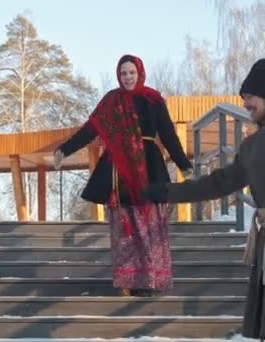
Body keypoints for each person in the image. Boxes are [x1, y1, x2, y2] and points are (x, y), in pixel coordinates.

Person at [143, 58, 265, 341]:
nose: (246, 104)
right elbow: (219, 183)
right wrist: (168, 191)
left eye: (251, 97)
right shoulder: (252, 147)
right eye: (243, 98)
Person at [53, 54, 193, 297]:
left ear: (140, 73)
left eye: (132, 73)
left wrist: (184, 164)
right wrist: (64, 149)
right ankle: (128, 281)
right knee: (125, 231)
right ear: (119, 76)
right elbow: (90, 130)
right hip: (120, 173)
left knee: (149, 226)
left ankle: (149, 280)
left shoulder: (153, 100)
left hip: (149, 168)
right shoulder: (112, 102)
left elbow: (168, 134)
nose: (128, 77)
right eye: (123, 73)